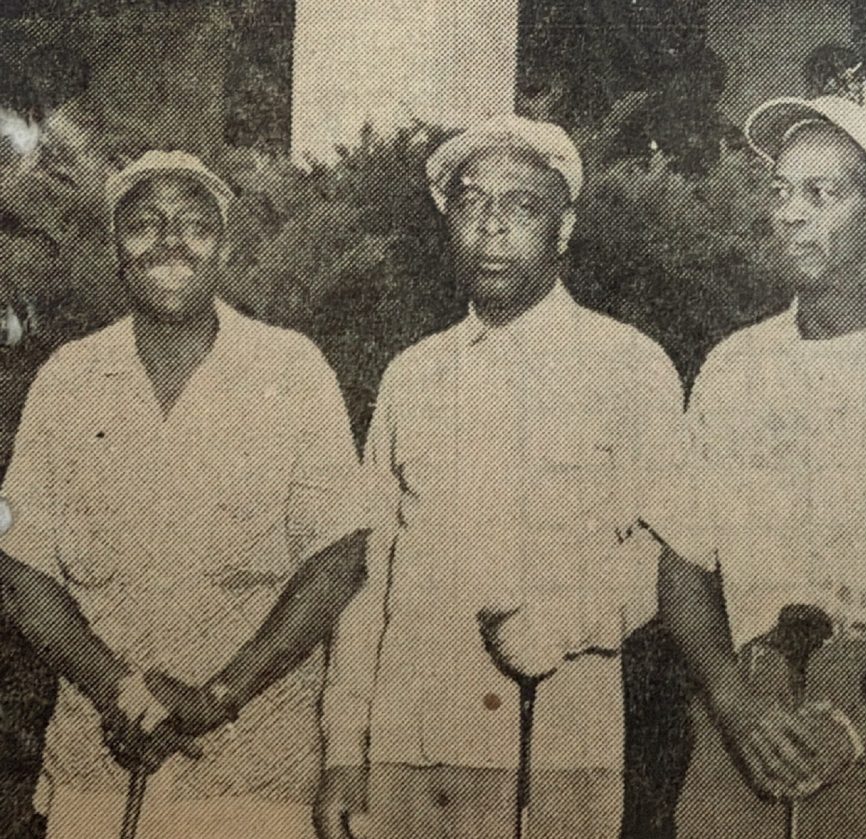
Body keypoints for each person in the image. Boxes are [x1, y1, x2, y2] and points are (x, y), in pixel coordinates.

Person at [316, 115, 683, 839]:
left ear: (565, 225)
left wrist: (568, 620)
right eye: (471, 203)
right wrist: (342, 751)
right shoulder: (411, 376)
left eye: (521, 205)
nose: (491, 227)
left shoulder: (630, 367)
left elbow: (668, 558)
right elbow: (368, 580)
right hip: (408, 752)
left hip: (555, 753)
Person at [0, 150, 369, 838]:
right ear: (117, 251)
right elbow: (23, 565)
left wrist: (219, 695)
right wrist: (120, 690)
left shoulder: (291, 369)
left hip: (255, 770)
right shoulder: (67, 379)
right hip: (97, 765)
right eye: (145, 223)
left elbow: (339, 554)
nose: (171, 239)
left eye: (195, 224)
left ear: (223, 248)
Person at [651, 94, 866, 838]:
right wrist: (735, 706)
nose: (789, 213)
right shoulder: (731, 370)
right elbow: (683, 566)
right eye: (780, 192)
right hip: (751, 730)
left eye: (820, 193)